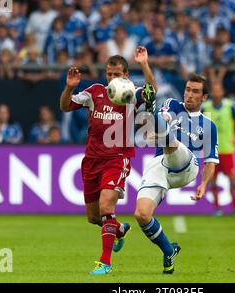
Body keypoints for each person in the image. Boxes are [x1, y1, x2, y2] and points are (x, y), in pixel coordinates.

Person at [59, 46, 157, 275]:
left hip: (117, 158)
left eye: (116, 74)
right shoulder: (95, 92)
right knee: (94, 217)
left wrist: (144, 64)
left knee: (106, 207)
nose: (112, 78)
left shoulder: (132, 94)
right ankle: (119, 230)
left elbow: (152, 91)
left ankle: (105, 263)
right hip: (92, 160)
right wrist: (69, 87)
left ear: (125, 75)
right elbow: (65, 106)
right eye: (109, 74)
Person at [134, 74, 219, 274]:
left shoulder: (208, 126)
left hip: (187, 166)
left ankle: (149, 105)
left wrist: (204, 184)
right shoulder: (173, 104)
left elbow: (210, 161)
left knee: (170, 140)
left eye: (195, 91)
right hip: (161, 164)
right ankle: (169, 250)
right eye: (188, 89)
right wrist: (156, 126)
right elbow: (165, 117)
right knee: (142, 214)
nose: (189, 94)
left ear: (204, 97)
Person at [202, 82, 235, 217]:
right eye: (214, 90)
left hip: (227, 149)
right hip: (211, 150)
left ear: (222, 92)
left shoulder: (230, 106)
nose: (216, 93)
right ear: (211, 93)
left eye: (219, 90)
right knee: (212, 179)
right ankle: (217, 208)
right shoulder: (205, 107)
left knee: (231, 179)